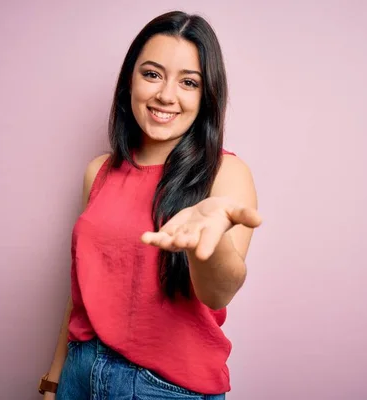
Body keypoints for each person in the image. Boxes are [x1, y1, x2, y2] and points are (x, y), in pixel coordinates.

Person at [38, 10, 262, 400]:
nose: (166, 95)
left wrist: (205, 245)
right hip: (81, 371)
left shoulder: (227, 173)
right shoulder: (99, 171)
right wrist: (54, 379)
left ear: (206, 96)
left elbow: (219, 294)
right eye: (152, 74)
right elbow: (82, 292)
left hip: (164, 389)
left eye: (188, 82)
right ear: (130, 81)